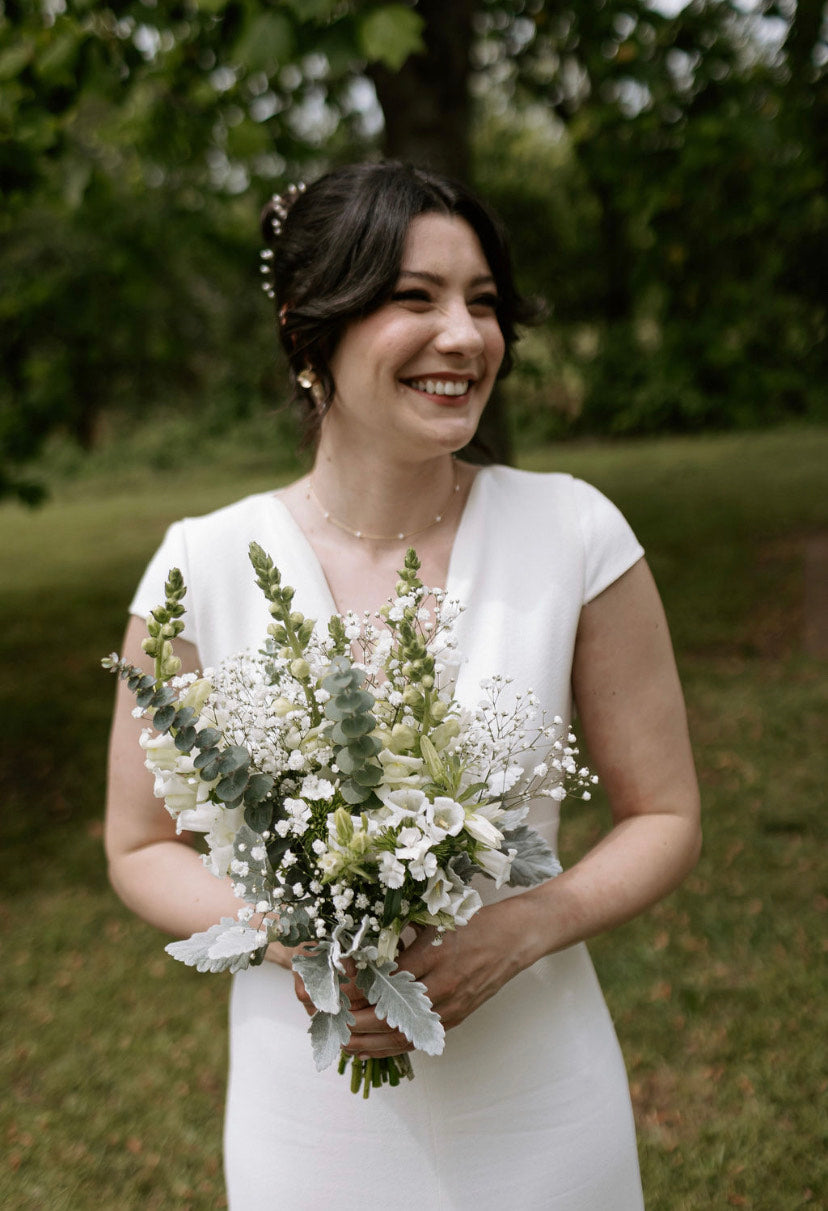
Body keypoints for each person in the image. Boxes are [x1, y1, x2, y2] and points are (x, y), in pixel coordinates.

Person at [105, 162, 701, 1210]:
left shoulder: (575, 532)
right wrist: (293, 927)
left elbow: (667, 812)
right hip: (311, 1110)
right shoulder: (199, 567)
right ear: (308, 333)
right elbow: (139, 841)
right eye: (414, 298)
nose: (465, 336)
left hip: (541, 1092)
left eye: (481, 301)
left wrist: (522, 927)